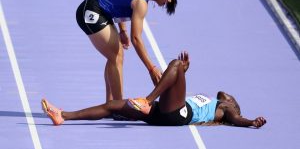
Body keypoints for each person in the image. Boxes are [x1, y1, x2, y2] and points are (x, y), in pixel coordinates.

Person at [42, 52, 267, 128]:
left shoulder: (228, 109)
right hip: (164, 111)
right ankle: (63, 115)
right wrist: (183, 74)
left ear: (232, 102)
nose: (223, 93)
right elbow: (175, 93)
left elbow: (237, 120)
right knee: (113, 106)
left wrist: (250, 122)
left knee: (176, 64)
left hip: (179, 115)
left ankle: (147, 99)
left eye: (228, 95)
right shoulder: (210, 100)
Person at [76, 0, 180, 102]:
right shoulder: (141, 2)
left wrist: (122, 31)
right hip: (91, 11)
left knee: (114, 55)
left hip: (98, 9)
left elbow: (120, 1)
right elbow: (136, 39)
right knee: (116, 55)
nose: (170, 1)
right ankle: (118, 107)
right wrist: (151, 68)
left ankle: (111, 103)